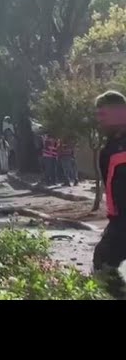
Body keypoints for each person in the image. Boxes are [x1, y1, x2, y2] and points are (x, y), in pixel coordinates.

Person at [93, 90, 126, 299]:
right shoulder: (111, 147)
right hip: (119, 221)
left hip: (122, 223)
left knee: (103, 263)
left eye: (103, 115)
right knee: (103, 264)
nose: (99, 121)